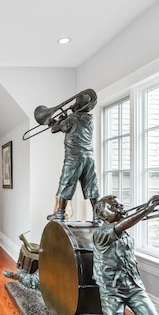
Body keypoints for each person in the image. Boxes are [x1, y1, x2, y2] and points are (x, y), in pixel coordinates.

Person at [47, 90, 100, 222]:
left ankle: (60, 213)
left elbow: (55, 129)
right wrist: (64, 119)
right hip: (89, 157)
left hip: (74, 157)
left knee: (66, 183)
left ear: (78, 105)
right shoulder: (90, 119)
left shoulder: (72, 118)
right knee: (91, 185)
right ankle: (97, 214)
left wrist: (58, 120)